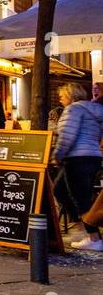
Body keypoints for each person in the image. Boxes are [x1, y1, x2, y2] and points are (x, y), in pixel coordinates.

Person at [53, 83, 103, 251]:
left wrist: (57, 155)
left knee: (80, 198)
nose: (60, 99)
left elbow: (67, 136)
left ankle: (94, 238)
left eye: (62, 96)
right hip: (92, 156)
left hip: (77, 158)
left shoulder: (73, 110)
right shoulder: (94, 110)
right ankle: (80, 226)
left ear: (71, 96)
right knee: (59, 190)